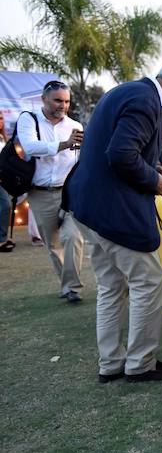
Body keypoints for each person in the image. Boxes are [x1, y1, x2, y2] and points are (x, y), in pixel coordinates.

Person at [67, 53, 162, 383]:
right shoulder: (145, 101)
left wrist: (151, 167)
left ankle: (110, 364)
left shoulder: (128, 91)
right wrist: (154, 181)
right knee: (149, 281)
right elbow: (120, 155)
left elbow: (116, 150)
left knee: (111, 286)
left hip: (89, 208)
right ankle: (140, 364)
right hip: (114, 213)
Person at [16, 80, 85, 302]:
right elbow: (30, 147)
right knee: (53, 244)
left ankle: (72, 287)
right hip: (39, 192)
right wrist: (63, 144)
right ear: (44, 99)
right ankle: (67, 286)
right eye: (57, 100)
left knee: (73, 237)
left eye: (66, 101)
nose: (62, 105)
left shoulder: (76, 126)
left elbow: (80, 161)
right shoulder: (29, 119)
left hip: (68, 193)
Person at [0, 115, 12, 252]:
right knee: (5, 205)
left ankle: (3, 237)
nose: (0, 121)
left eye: (1, 118)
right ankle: (2, 239)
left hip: (3, 178)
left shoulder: (3, 138)